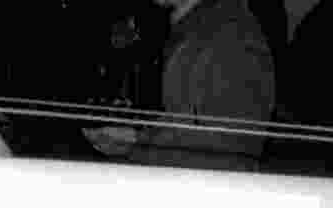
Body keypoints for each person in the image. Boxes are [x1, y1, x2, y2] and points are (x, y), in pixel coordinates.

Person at [84, 0, 275, 171]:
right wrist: (136, 138)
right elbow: (188, 126)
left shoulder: (232, 38)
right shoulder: (193, 28)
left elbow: (229, 154)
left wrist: (135, 147)